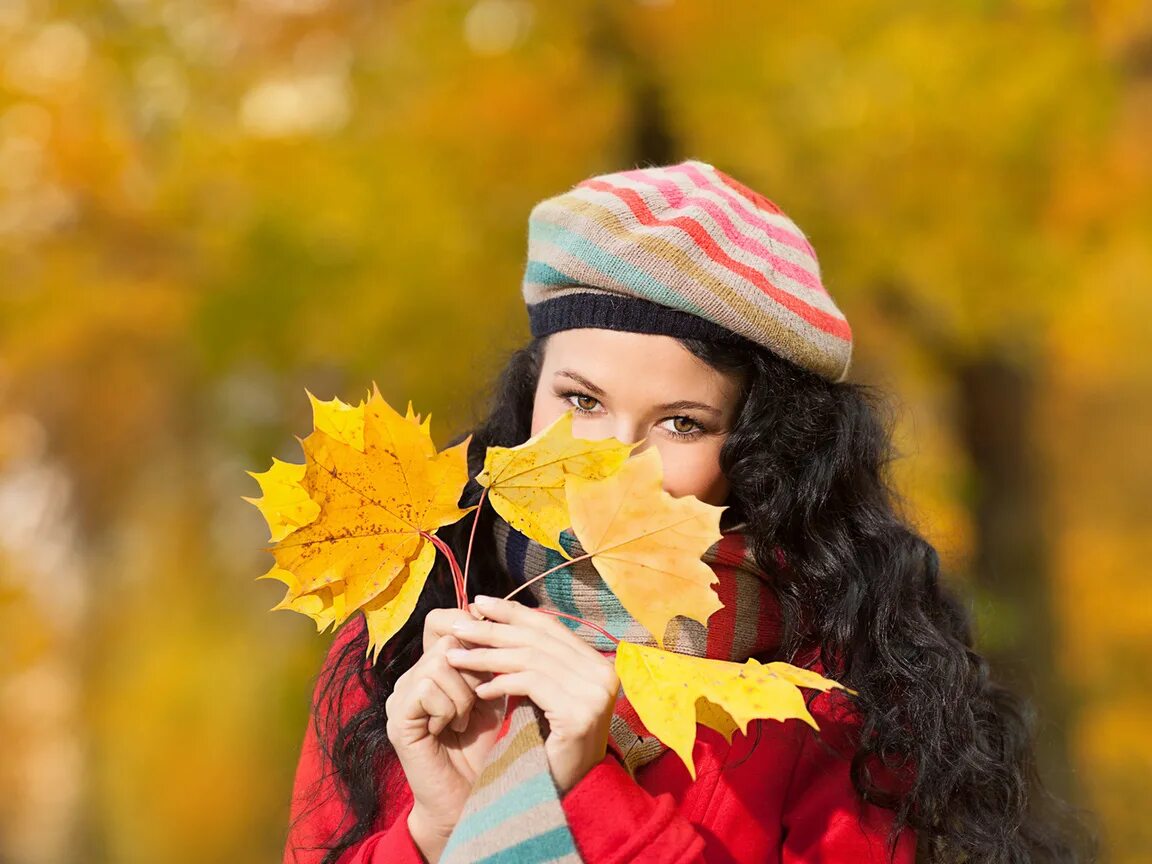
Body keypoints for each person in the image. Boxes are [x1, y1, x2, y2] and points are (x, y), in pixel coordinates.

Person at [281, 160, 1083, 863]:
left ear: (762, 448)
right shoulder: (399, 649)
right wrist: (440, 830)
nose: (611, 463)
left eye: (681, 423)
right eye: (581, 400)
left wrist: (586, 793)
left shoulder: (832, 699)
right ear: (529, 396)